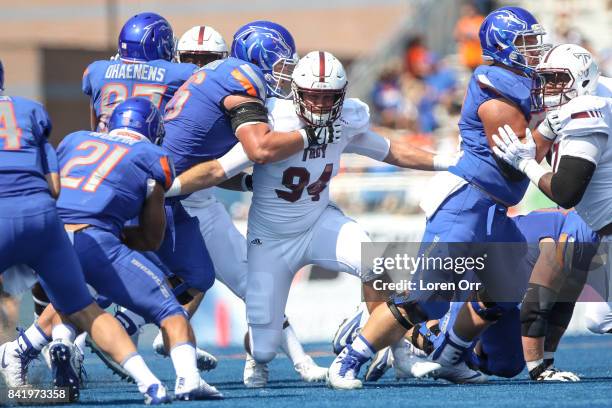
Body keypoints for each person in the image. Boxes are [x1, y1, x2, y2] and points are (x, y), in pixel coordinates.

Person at [328, 6, 553, 388]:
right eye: (525, 44)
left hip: (494, 210)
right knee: (423, 299)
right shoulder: (494, 86)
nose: (533, 51)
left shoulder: (521, 82)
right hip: (466, 203)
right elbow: (521, 158)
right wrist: (552, 126)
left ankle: (449, 357)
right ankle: (351, 356)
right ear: (503, 46)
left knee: (506, 320)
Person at [0, 63, 168, 405]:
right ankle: (150, 384)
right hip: (45, 220)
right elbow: (55, 186)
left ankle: (14, 367)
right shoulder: (30, 110)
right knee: (87, 310)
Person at [83, 12, 196, 132]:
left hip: (106, 144)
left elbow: (94, 125)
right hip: (149, 146)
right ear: (160, 46)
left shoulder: (96, 70)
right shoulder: (181, 73)